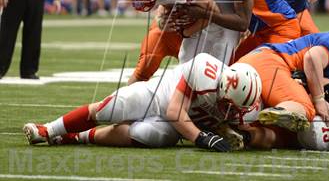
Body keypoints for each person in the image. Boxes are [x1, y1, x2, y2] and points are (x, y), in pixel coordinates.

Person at [23, 53, 261, 153]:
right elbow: (174, 109)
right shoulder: (204, 69)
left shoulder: (246, 103)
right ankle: (49, 129)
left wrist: (233, 133)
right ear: (221, 86)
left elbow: (244, 128)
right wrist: (201, 137)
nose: (231, 111)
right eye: (229, 104)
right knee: (111, 109)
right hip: (158, 97)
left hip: (174, 127)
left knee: (143, 134)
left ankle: (74, 137)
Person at [121, 0, 240, 85]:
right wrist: (162, 18)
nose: (139, 2)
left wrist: (187, 32)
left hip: (222, 14)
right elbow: (165, 0)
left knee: (218, 71)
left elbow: (214, 12)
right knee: (186, 69)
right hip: (200, 13)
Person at [237, 31, 329, 131]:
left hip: (255, 59)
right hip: (271, 63)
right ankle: (273, 114)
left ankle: (239, 128)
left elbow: (324, 85)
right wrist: (319, 99)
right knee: (304, 107)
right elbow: (312, 58)